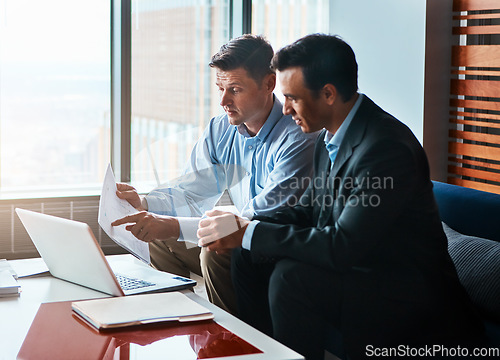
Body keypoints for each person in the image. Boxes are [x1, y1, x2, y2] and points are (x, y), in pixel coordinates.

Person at [196, 34, 484, 359]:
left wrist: (249, 232)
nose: (285, 108)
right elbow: (308, 211)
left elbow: (342, 245)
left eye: (293, 98)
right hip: (361, 273)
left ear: (329, 94)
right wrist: (243, 225)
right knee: (246, 255)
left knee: (292, 279)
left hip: (406, 292)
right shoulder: (327, 138)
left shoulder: (384, 148)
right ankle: (258, 353)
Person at [112, 34, 316, 316]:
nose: (223, 100)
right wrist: (145, 204)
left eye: (234, 89)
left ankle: (233, 340)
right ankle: (181, 320)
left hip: (274, 247)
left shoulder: (298, 137)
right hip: (244, 237)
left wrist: (171, 224)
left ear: (269, 84)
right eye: (220, 88)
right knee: (156, 236)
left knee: (215, 248)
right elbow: (191, 191)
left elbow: (255, 220)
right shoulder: (221, 129)